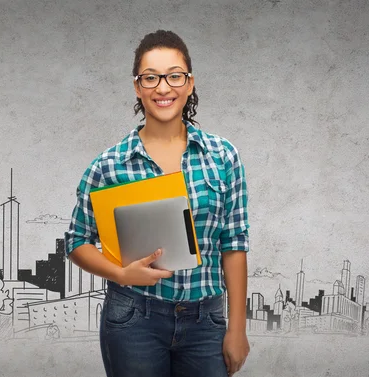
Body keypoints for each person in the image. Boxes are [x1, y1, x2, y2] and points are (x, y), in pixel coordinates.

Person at [65, 29, 250, 377]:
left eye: (174, 76)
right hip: (134, 317)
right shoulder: (109, 165)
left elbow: (234, 244)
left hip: (206, 320)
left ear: (190, 83)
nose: (163, 88)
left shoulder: (223, 156)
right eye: (150, 78)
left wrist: (237, 328)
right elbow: (76, 241)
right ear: (138, 87)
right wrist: (120, 272)